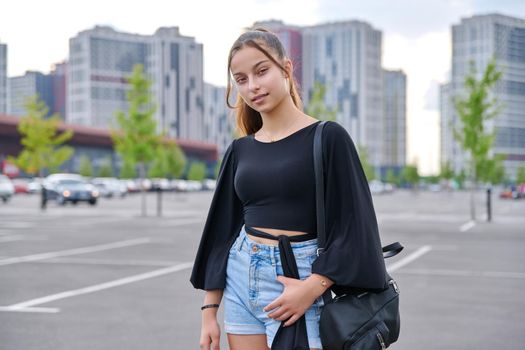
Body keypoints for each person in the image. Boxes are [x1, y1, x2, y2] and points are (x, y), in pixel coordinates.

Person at [190, 28, 387, 350]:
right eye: (240, 79)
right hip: (241, 278)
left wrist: (312, 288)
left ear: (286, 68)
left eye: (261, 71)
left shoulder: (327, 137)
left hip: (299, 280)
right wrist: (209, 310)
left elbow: (355, 225)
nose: (252, 86)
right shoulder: (240, 149)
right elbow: (221, 230)